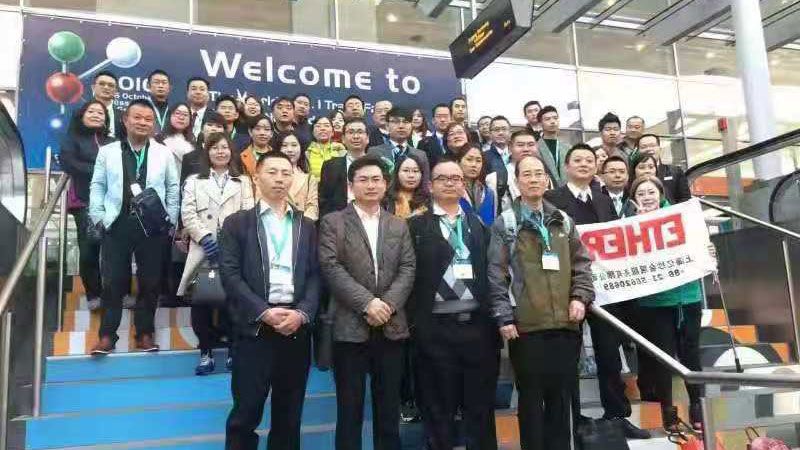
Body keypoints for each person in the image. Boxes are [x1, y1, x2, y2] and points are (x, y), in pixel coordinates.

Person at [488, 155, 594, 450]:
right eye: (527, 174)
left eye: (539, 174)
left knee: (561, 400)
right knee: (531, 401)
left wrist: (580, 297)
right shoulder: (507, 223)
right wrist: (504, 316)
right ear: (517, 181)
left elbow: (582, 264)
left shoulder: (563, 220)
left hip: (565, 325)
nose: (533, 179)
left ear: (547, 179)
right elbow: (496, 274)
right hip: (526, 327)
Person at [544, 144, 650, 440]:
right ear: (566, 167)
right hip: (567, 289)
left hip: (605, 289)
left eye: (589, 160)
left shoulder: (603, 200)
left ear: (595, 167)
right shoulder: (552, 199)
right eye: (577, 160)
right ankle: (573, 417)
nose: (584, 164)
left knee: (610, 354)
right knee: (569, 356)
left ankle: (617, 415)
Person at [219, 151, 320, 450]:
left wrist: (302, 314)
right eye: (272, 172)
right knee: (246, 411)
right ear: (256, 177)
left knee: (290, 414)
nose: (279, 179)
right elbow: (230, 274)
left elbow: (316, 276)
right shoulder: (237, 223)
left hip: (295, 328)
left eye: (286, 173)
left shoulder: (306, 226)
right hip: (255, 329)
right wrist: (262, 311)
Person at [318, 155, 416, 450]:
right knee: (349, 410)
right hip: (349, 328)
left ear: (386, 185)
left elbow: (408, 268)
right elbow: (331, 267)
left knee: (388, 410)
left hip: (391, 326)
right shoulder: (333, 222)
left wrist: (387, 305)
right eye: (363, 179)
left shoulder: (398, 225)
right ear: (351, 185)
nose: (370, 185)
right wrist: (368, 304)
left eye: (376, 179)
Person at [407, 157, 500, 450]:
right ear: (430, 186)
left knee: (480, 408)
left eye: (456, 178)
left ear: (464, 185)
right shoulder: (415, 226)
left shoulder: (478, 225)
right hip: (434, 330)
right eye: (443, 178)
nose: (450, 183)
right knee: (438, 408)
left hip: (477, 329)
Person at [88, 99, 180, 355]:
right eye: (137, 117)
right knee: (113, 282)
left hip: (152, 226)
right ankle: (107, 336)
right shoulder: (108, 151)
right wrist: (98, 215)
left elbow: (173, 187)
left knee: (150, 282)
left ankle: (145, 333)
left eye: (148, 119)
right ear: (125, 121)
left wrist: (171, 218)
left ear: (154, 124)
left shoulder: (163, 152)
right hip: (117, 222)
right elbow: (97, 185)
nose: (142, 123)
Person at [628, 175, 705, 432]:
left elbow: (700, 245)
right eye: (640, 194)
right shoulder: (628, 226)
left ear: (661, 194)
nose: (647, 197)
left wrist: (708, 253)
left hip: (688, 298)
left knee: (691, 355)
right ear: (633, 199)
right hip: (654, 303)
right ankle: (668, 412)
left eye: (651, 192)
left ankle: (698, 407)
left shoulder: (682, 217)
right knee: (663, 357)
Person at [177, 132, 255, 374]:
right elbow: (188, 214)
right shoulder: (194, 181)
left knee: (233, 302)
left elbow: (248, 213)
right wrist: (205, 238)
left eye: (224, 147)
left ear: (231, 152)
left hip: (234, 250)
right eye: (215, 148)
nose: (220, 152)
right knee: (201, 302)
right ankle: (205, 353)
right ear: (207, 152)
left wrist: (227, 241)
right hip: (203, 249)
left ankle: (233, 351)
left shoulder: (242, 181)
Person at [60, 100, 114, 311]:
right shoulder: (72, 139)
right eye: (91, 111)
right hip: (84, 201)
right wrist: (101, 170)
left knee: (115, 249)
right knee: (90, 247)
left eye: (101, 113)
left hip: (112, 202)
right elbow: (70, 164)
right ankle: (94, 293)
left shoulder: (113, 142)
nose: (96, 115)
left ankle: (116, 292)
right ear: (81, 115)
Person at [319, 118, 369, 218]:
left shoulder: (378, 165)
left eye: (360, 132)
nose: (356, 136)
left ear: (367, 138)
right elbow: (324, 200)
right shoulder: (330, 166)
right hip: (339, 220)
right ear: (343, 139)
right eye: (351, 132)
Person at [367, 106, 430, 181]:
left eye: (406, 122)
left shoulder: (420, 155)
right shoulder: (374, 153)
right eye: (396, 122)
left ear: (411, 126)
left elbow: (424, 183)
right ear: (387, 126)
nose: (401, 126)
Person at [486, 130, 540, 215]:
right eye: (520, 145)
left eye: (530, 145)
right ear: (510, 148)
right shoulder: (496, 178)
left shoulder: (544, 175)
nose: (526, 149)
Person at [635, 134, 691, 204]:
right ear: (638, 151)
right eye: (644, 147)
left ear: (660, 149)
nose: (648, 149)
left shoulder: (675, 171)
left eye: (652, 145)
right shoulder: (633, 172)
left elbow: (685, 199)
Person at [276, 131, 319, 220]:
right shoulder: (269, 176)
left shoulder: (309, 178)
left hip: (303, 225)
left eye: (294, 145)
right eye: (284, 145)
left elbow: (313, 207)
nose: (290, 150)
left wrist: (301, 224)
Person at [455, 143, 495, 226]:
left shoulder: (488, 193)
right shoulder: (452, 191)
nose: (474, 165)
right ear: (458, 162)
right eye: (469, 159)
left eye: (478, 161)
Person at [181, 111, 227, 185]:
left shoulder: (231, 156)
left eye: (218, 126)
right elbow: (183, 185)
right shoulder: (189, 158)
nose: (213, 129)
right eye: (209, 125)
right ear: (202, 129)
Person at [384, 153, 429, 218]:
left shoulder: (428, 200)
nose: (411, 175)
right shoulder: (385, 199)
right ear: (397, 173)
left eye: (415, 171)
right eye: (406, 170)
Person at [156, 103, 195, 174]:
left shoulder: (193, 143)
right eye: (177, 113)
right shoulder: (158, 140)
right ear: (169, 116)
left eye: (185, 115)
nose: (181, 117)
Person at [536, 105, 570, 186]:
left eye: (555, 118)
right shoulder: (535, 147)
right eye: (547, 119)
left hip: (567, 188)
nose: (553, 121)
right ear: (540, 124)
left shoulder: (568, 147)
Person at [306, 115, 346, 180]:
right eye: (318, 126)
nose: (322, 128)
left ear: (332, 132)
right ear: (313, 132)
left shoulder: (341, 151)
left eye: (326, 126)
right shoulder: (307, 153)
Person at [239, 115, 274, 181]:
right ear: (250, 132)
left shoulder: (277, 156)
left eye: (266, 129)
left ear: (271, 133)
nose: (262, 133)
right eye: (258, 129)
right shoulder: (241, 157)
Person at [91, 70, 123, 138]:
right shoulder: (81, 112)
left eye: (111, 85)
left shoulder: (123, 116)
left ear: (116, 91)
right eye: (102, 84)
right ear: (93, 88)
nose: (106, 87)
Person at [419, 104, 452, 169]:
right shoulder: (423, 143)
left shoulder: (458, 139)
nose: (442, 119)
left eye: (446, 116)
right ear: (433, 120)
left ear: (451, 119)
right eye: (439, 116)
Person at [146, 69, 172, 134]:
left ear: (170, 87)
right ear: (148, 86)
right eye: (156, 82)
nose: (160, 86)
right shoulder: (141, 107)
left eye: (164, 83)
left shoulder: (174, 110)